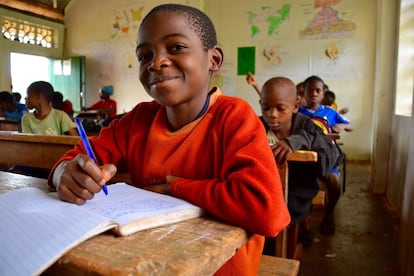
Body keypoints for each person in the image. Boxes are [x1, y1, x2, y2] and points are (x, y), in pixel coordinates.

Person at [48, 4, 290, 275]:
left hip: (221, 268)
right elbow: (76, 157)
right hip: (145, 262)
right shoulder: (137, 120)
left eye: (176, 48)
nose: (156, 62)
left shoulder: (234, 117)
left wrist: (174, 187)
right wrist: (65, 174)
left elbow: (266, 212)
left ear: (214, 59)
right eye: (144, 55)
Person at [259, 76, 340, 249]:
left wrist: (297, 141)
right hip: (265, 193)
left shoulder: (306, 126)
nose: (272, 115)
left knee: (282, 229)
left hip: (296, 194)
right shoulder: (257, 126)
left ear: (295, 107)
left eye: (280, 109)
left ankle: (288, 245)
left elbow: (330, 149)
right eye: (266, 108)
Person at [299, 75, 353, 235]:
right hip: (305, 160)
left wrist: (341, 126)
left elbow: (350, 125)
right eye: (310, 90)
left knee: (334, 183)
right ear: (304, 93)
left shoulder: (330, 112)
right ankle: (303, 224)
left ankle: (328, 214)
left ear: (323, 94)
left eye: (318, 91)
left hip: (327, 157)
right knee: (299, 187)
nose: (314, 94)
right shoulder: (297, 112)